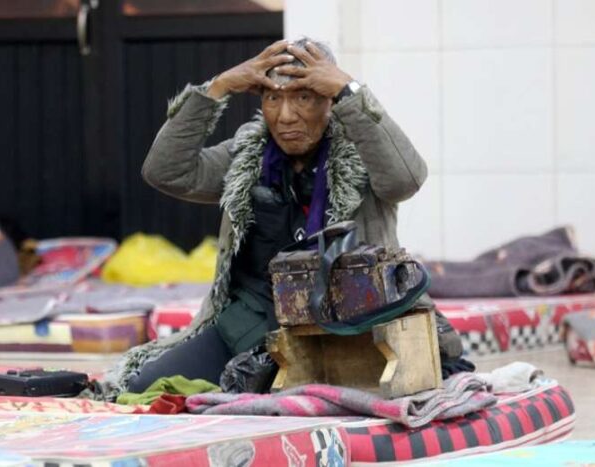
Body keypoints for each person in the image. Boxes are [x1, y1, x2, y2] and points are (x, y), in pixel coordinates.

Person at [104, 37, 464, 395]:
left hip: (352, 321)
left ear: (329, 102)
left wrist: (348, 89)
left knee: (364, 394)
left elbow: (406, 179)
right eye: (273, 97)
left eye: (304, 97)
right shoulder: (246, 156)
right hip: (252, 321)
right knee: (144, 386)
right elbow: (165, 171)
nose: (286, 115)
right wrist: (218, 87)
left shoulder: (362, 153)